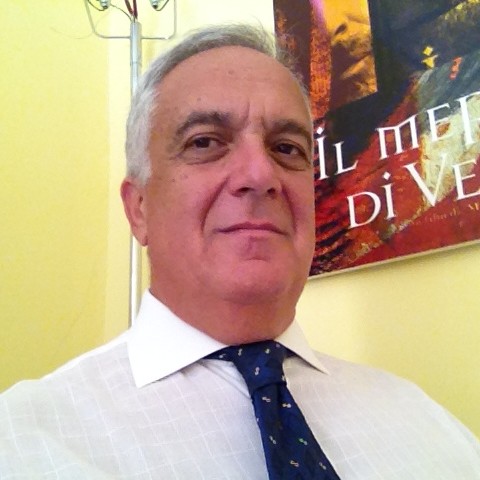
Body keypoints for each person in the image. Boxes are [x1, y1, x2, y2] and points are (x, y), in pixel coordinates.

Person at [1, 24, 479, 479]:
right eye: (205, 142)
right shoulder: (25, 442)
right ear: (139, 208)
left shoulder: (426, 423)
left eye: (286, 148)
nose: (260, 174)